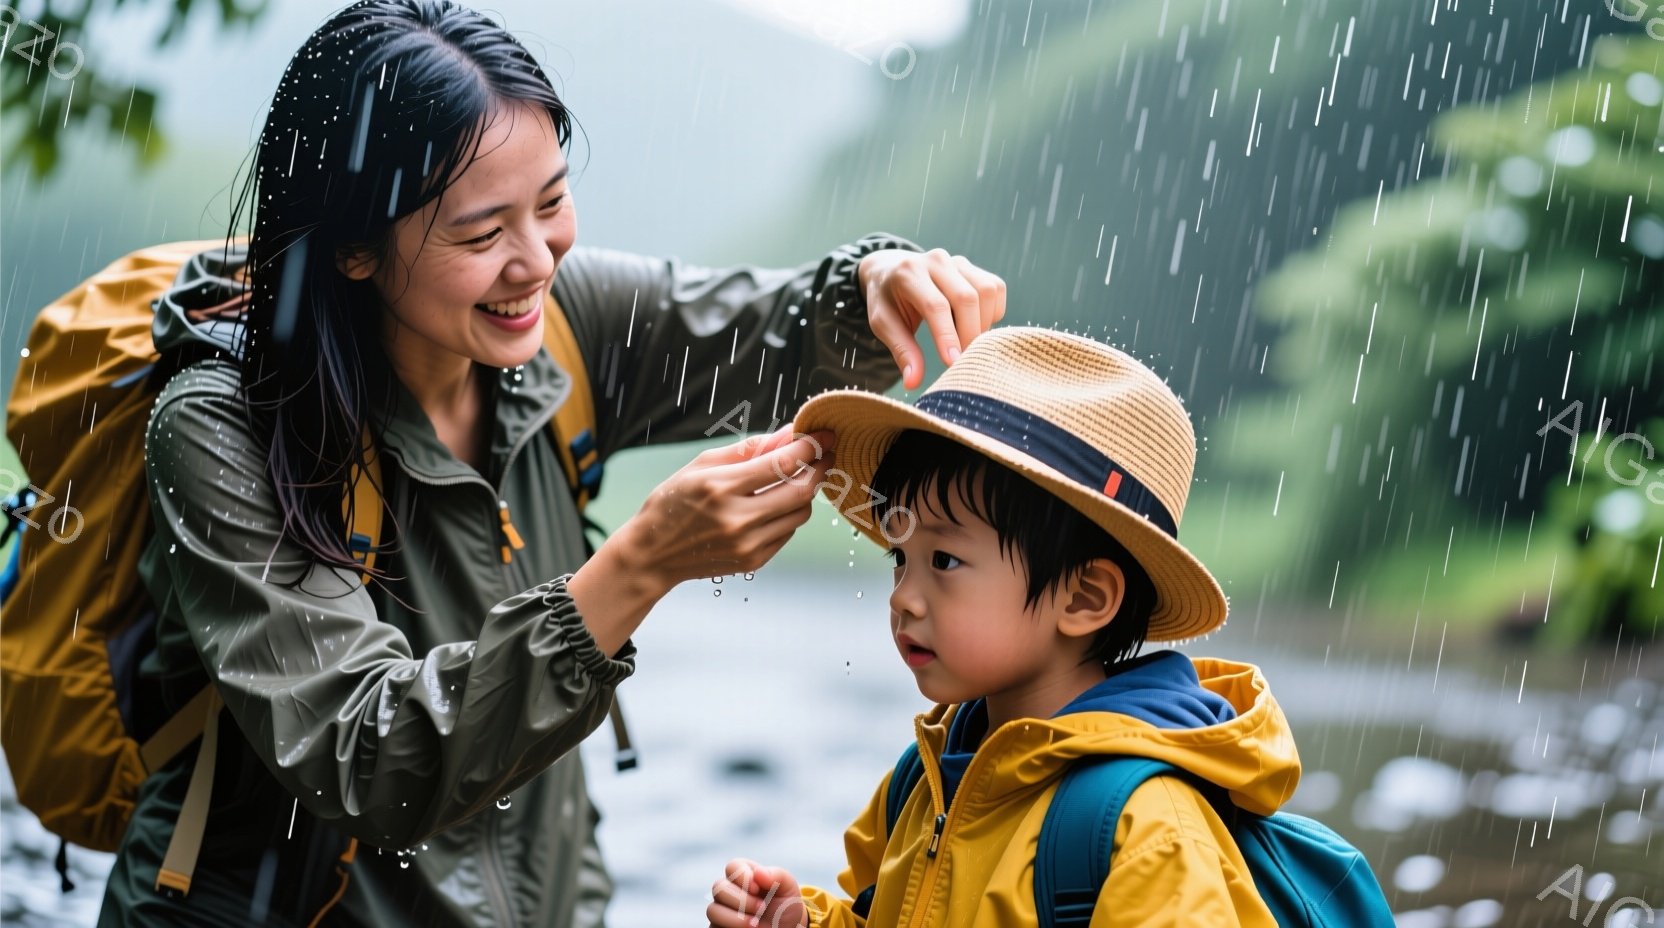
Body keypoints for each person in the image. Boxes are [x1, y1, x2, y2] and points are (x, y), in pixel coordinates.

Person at [95, 1, 1006, 925]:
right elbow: (370, 764)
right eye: (482, 233)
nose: (537, 262)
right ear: (355, 248)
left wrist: (874, 286)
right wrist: (642, 565)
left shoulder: (560, 329)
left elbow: (779, 334)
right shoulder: (221, 427)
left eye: (554, 201)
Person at [707, 327, 1302, 927]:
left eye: (944, 561)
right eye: (900, 558)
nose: (905, 598)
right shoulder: (923, 779)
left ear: (1085, 596)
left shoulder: (1145, 825)